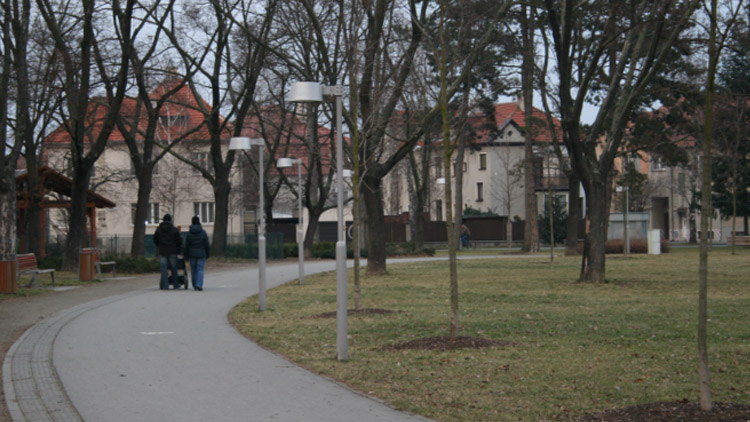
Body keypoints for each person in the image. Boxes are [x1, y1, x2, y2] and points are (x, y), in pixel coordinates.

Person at [154, 214, 182, 290]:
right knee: (174, 268)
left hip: (162, 251)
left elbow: (155, 239)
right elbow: (179, 240)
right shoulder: (174, 229)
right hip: (173, 251)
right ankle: (175, 284)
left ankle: (165, 285)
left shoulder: (159, 229)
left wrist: (159, 245)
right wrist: (177, 248)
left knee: (164, 268)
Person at [184, 216, 210, 291]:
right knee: (200, 270)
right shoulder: (203, 232)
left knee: (193, 270)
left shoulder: (189, 233)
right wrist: (207, 254)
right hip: (201, 253)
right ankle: (199, 284)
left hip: (192, 254)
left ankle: (195, 284)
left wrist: (186, 255)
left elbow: (187, 245)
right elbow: (206, 244)